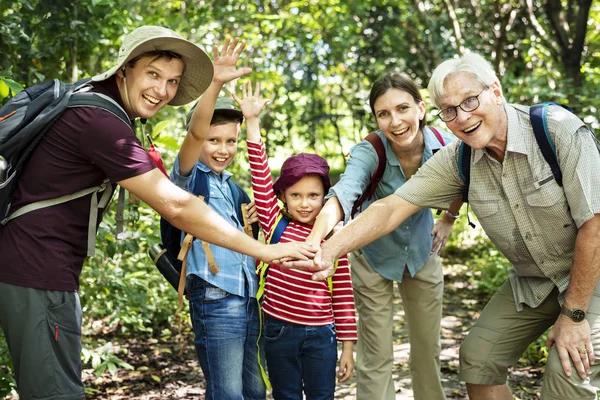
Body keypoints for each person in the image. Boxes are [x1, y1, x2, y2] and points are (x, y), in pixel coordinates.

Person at [0, 26, 315, 400]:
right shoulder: (101, 123)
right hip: (36, 266)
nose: (162, 91)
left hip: (36, 266)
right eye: (153, 74)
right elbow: (177, 205)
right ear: (124, 70)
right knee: (55, 392)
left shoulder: (96, 106)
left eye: (173, 81)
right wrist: (267, 251)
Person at [295, 52, 600, 400]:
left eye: (470, 100)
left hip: (592, 272)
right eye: (451, 110)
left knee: (567, 374)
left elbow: (596, 225)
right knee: (477, 361)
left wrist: (574, 315)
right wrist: (329, 248)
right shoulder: (459, 157)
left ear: (496, 91)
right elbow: (391, 207)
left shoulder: (556, 129)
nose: (463, 116)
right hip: (532, 281)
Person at [306, 71, 460, 400]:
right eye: (384, 114)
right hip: (372, 257)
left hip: (422, 252)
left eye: (403, 108)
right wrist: (316, 240)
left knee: (427, 351)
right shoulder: (370, 150)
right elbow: (344, 193)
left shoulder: (446, 146)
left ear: (421, 108)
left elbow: (462, 178)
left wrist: (449, 216)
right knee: (376, 355)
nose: (396, 121)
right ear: (376, 119)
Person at [234, 81, 357, 399]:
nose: (305, 203)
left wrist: (347, 347)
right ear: (283, 197)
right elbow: (259, 173)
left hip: (321, 335)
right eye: (296, 195)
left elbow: (343, 294)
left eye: (314, 195)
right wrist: (251, 120)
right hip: (278, 330)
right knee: (285, 395)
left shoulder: (332, 237)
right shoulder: (275, 224)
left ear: (325, 197)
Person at [171, 37, 268, 400]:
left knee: (254, 389)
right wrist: (215, 83)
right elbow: (195, 133)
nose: (223, 149)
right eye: (214, 141)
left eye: (230, 141)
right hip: (215, 296)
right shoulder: (187, 176)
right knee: (227, 392)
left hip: (245, 297)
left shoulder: (233, 189)